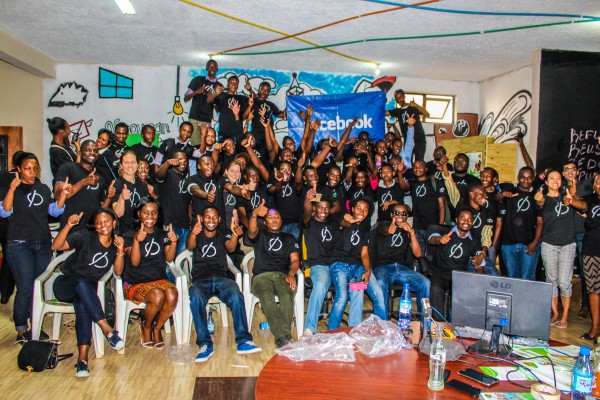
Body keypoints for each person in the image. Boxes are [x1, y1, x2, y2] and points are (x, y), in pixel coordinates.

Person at [0, 152, 70, 343]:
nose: (32, 172)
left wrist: (63, 196)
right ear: (19, 169)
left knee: (37, 286)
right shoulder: (12, 188)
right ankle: (22, 328)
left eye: (35, 169)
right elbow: (4, 212)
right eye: (27, 169)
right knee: (25, 287)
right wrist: (12, 189)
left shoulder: (43, 188)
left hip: (42, 244)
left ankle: (35, 325)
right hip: (19, 245)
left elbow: (54, 211)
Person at [52, 208, 126, 377]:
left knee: (82, 305)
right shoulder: (85, 236)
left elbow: (118, 272)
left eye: (106, 221)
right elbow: (56, 246)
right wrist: (69, 225)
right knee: (80, 280)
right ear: (95, 225)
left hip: (88, 291)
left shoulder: (116, 243)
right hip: (67, 283)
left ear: (114, 223)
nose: (103, 225)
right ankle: (107, 330)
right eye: (99, 222)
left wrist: (121, 250)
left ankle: (82, 360)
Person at [187, 206, 261, 362]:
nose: (211, 220)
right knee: (195, 297)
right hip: (201, 279)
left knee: (236, 294)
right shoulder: (197, 233)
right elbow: (190, 247)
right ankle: (205, 344)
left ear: (219, 220)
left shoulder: (223, 233)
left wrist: (234, 235)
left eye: (214, 217)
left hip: (222, 278)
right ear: (202, 218)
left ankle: (243, 340)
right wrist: (194, 233)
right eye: (208, 217)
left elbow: (231, 247)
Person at [121, 198, 179, 349]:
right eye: (146, 213)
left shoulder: (161, 234)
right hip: (135, 282)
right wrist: (136, 241)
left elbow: (169, 258)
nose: (150, 216)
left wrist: (173, 243)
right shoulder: (129, 234)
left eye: (154, 213)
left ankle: (157, 328)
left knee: (172, 294)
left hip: (158, 280)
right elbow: (134, 262)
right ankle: (146, 327)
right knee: (158, 295)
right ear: (139, 214)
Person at [248, 200, 300, 348]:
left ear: (281, 221)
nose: (274, 219)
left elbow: (295, 260)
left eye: (277, 217)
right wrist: (254, 214)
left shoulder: (289, 238)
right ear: (264, 222)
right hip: (261, 277)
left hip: (282, 275)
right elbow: (251, 231)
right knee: (266, 295)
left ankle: (281, 338)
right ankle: (283, 336)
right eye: (270, 217)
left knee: (287, 294)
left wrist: (291, 274)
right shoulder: (260, 236)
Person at [328, 198, 386, 330]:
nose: (362, 212)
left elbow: (364, 253)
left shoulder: (366, 228)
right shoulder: (341, 219)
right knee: (342, 296)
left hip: (358, 266)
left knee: (375, 292)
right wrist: (349, 220)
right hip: (339, 264)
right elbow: (344, 224)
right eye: (359, 208)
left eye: (365, 210)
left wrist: (367, 270)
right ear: (353, 209)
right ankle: (331, 333)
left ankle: (380, 331)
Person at [534, 170, 580, 328]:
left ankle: (565, 315)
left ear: (562, 181)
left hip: (568, 243)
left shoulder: (568, 195)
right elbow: (539, 204)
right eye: (552, 178)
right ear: (546, 182)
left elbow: (582, 205)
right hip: (549, 244)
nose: (555, 181)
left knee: (564, 282)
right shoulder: (542, 198)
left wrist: (572, 199)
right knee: (551, 280)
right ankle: (555, 313)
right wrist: (539, 200)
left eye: (558, 178)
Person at [373, 203, 430, 316]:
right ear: (391, 215)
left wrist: (412, 233)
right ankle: (382, 322)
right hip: (383, 267)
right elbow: (382, 230)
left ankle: (422, 321)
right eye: (397, 213)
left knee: (425, 283)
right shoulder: (382, 225)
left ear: (407, 216)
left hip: (402, 268)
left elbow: (418, 254)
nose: (400, 216)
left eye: (403, 213)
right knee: (380, 283)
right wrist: (388, 230)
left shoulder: (408, 231)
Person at [428, 209, 487, 315]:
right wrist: (440, 239)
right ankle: (438, 323)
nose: (466, 221)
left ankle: (454, 325)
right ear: (456, 220)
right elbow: (431, 239)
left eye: (469, 220)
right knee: (435, 288)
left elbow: (480, 262)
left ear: (472, 222)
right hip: (440, 272)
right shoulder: (444, 231)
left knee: (464, 293)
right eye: (463, 218)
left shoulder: (475, 238)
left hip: (460, 275)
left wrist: (477, 275)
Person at [54, 140, 114, 231]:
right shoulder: (68, 168)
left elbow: (102, 208)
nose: (92, 153)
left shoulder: (100, 178)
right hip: (71, 228)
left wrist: (109, 197)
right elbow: (58, 196)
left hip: (92, 232)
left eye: (95, 151)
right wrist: (83, 182)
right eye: (88, 150)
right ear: (80, 152)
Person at [301, 193, 339, 336]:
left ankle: (342, 327)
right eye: (320, 208)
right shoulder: (308, 223)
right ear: (314, 209)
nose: (323, 211)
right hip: (318, 265)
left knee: (353, 283)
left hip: (336, 264)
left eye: (326, 208)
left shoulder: (333, 225)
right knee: (322, 283)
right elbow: (306, 212)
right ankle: (310, 328)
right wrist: (307, 199)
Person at [499, 166, 543, 280]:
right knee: (511, 279)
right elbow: (496, 197)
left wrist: (535, 243)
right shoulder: (511, 191)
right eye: (523, 177)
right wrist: (503, 195)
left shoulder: (537, 196)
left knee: (526, 279)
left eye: (529, 178)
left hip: (528, 244)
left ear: (533, 179)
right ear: (518, 178)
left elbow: (540, 222)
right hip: (508, 244)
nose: (526, 180)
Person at [155, 150, 191, 255]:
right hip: (169, 225)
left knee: (180, 260)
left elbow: (188, 203)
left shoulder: (187, 178)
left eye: (185, 160)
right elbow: (158, 176)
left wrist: (189, 221)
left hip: (184, 226)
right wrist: (167, 164)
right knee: (169, 261)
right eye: (179, 159)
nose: (183, 162)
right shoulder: (168, 174)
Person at [184, 59, 223, 146]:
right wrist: (196, 92)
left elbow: (218, 109)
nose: (212, 68)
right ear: (206, 68)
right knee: (195, 145)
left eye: (214, 66)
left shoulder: (219, 86)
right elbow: (185, 98)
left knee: (205, 145)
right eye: (209, 66)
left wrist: (212, 96)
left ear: (217, 68)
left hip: (206, 120)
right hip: (194, 117)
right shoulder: (197, 80)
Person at [580, 173, 600, 340]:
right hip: (591, 249)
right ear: (594, 186)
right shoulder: (590, 200)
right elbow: (581, 205)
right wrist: (571, 199)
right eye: (597, 181)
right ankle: (595, 327)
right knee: (593, 289)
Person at [385, 89, 430, 161]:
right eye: (397, 98)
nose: (399, 99)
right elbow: (384, 113)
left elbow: (427, 114)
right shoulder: (398, 111)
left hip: (419, 139)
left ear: (404, 96)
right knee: (407, 161)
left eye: (401, 97)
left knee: (419, 160)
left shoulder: (413, 107)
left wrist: (416, 105)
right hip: (408, 141)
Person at [111, 150, 150, 232]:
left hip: (141, 229)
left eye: (133, 162)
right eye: (126, 162)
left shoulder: (143, 185)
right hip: (124, 232)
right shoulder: (117, 184)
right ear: (121, 165)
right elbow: (118, 214)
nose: (130, 166)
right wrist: (121, 198)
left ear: (137, 164)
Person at [48, 117, 79, 183]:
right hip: (65, 188)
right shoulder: (57, 151)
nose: (70, 131)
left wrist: (74, 147)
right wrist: (79, 150)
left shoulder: (65, 144)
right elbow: (74, 171)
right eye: (68, 128)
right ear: (62, 131)